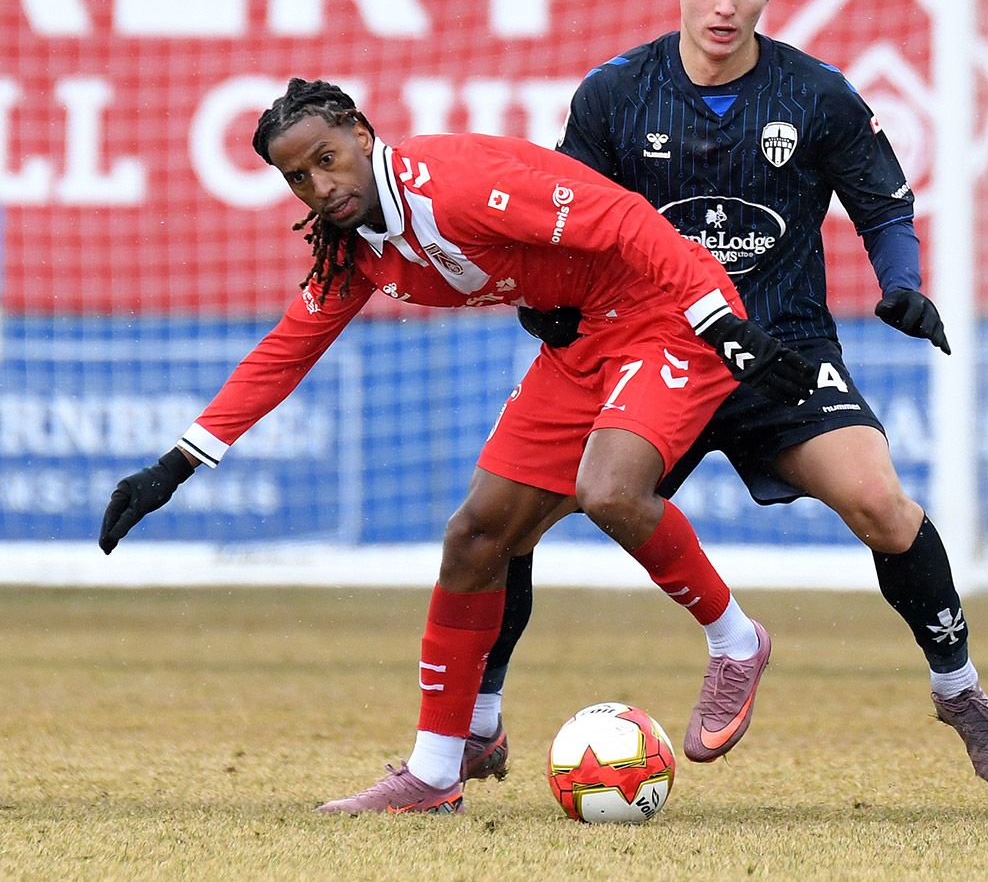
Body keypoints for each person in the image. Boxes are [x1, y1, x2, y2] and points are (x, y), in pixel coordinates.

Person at [98, 77, 817, 814]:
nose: (320, 184)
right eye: (298, 177)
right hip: (583, 338)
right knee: (475, 536)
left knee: (609, 490)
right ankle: (436, 773)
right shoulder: (356, 248)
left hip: (670, 312)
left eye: (326, 157)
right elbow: (288, 349)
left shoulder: (457, 183)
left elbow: (626, 219)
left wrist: (720, 323)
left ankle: (735, 642)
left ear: (361, 132)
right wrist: (176, 465)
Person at [467, 0, 988, 792]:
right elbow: (560, 221)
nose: (726, 6)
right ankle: (481, 722)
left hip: (783, 353)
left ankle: (959, 690)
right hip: (653, 355)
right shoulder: (614, 96)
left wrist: (904, 287)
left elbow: (884, 205)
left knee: (883, 506)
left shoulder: (816, 94)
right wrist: (547, 302)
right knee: (505, 523)